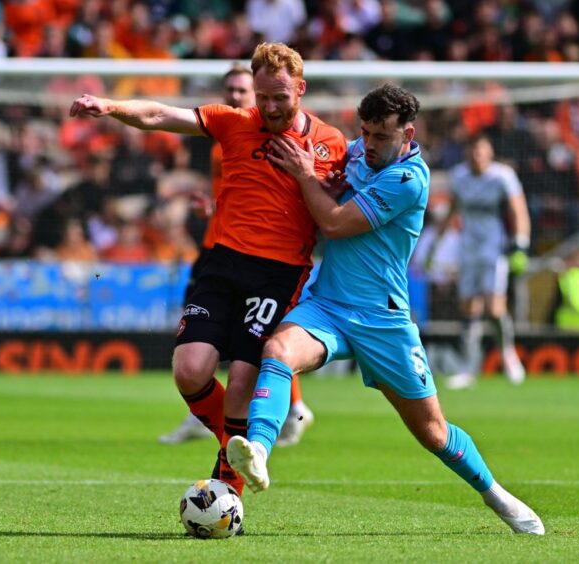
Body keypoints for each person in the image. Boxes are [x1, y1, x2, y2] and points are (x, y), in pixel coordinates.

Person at [226, 84, 544, 535]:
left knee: (433, 433)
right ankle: (257, 451)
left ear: (407, 133)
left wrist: (306, 178)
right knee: (277, 350)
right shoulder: (356, 151)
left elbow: (334, 224)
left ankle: (498, 496)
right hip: (329, 305)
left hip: (384, 320)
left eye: (382, 137)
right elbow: (319, 161)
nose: (369, 145)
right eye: (366, 133)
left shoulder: (410, 180)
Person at [69, 43, 347, 495]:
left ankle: (229, 487)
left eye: (281, 97)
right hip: (223, 263)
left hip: (279, 273)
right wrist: (110, 107)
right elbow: (161, 115)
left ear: (301, 88)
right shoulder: (234, 122)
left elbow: (344, 206)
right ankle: (237, 446)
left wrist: (317, 181)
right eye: (263, 97)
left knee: (240, 380)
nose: (271, 107)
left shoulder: (330, 143)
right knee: (189, 369)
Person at [158, 63, 315, 447]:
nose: (235, 96)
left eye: (242, 90)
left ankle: (280, 411)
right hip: (217, 248)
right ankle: (222, 419)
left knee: (258, 341)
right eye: (230, 89)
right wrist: (210, 208)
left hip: (264, 258)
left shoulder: (276, 136)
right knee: (201, 345)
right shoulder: (225, 135)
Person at [444, 134, 531, 389]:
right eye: (472, 150)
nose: (477, 155)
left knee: (494, 308)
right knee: (468, 308)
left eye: (481, 150)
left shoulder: (502, 176)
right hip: (468, 248)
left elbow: (519, 210)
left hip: (494, 248)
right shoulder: (458, 176)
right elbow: (452, 210)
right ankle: (467, 370)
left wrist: (521, 242)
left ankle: (508, 353)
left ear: (489, 152)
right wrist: (435, 245)